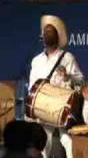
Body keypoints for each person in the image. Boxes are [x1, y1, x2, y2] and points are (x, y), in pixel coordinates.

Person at [27, 15, 84, 158]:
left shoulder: (67, 57)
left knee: (68, 142)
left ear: (57, 36)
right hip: (43, 110)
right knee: (43, 145)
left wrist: (68, 76)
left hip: (62, 109)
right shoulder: (36, 61)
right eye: (45, 32)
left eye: (51, 32)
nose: (47, 34)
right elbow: (32, 87)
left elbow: (81, 80)